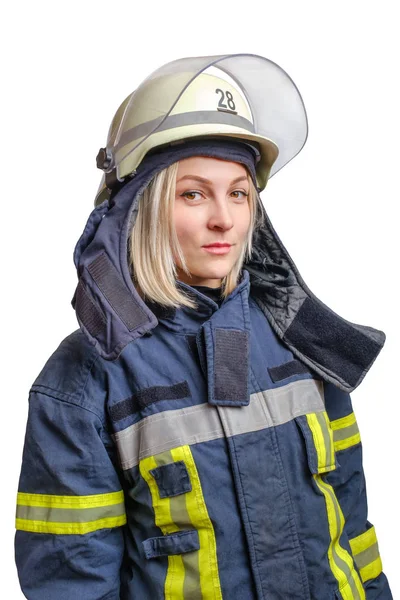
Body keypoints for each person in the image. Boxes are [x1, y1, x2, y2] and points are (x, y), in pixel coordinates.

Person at [14, 54, 392, 600]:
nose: (225, 219)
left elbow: (354, 532)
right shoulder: (87, 378)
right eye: (193, 194)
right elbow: (72, 583)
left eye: (238, 192)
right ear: (140, 208)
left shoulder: (302, 340)